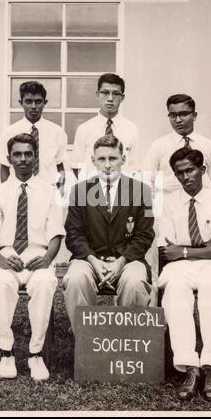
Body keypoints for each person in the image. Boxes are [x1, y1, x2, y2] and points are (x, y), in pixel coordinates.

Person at [0, 133, 64, 381]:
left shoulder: (50, 192)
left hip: (39, 255)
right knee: (0, 283)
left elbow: (56, 234)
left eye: (28, 153)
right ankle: (6, 353)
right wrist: (2, 261)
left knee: (45, 283)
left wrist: (48, 259)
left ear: (36, 157)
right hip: (8, 254)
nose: (23, 159)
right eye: (17, 154)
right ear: (9, 159)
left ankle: (35, 354)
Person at [157, 147, 211, 402]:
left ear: (202, 170)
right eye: (179, 173)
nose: (185, 177)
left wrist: (185, 251)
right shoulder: (168, 203)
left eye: (190, 170)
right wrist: (205, 246)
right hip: (180, 268)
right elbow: (167, 251)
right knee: (175, 292)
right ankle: (190, 368)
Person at [62, 135, 155, 333]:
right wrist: (94, 261)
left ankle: (129, 336)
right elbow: (73, 234)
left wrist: (121, 262)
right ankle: (85, 335)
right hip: (89, 259)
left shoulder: (142, 191)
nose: (107, 165)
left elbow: (145, 235)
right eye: (101, 159)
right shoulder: (79, 191)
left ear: (123, 159)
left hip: (128, 260)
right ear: (93, 161)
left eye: (112, 158)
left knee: (135, 281)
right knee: (75, 278)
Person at [142, 94, 211, 194]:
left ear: (194, 116)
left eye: (183, 114)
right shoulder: (158, 146)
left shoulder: (208, 146)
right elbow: (146, 180)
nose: (178, 120)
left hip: (201, 205)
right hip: (168, 205)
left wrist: (201, 201)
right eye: (173, 115)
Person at [0, 81, 68, 186]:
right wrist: (9, 194)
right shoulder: (9, 133)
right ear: (21, 103)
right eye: (29, 101)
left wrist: (59, 193)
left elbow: (60, 166)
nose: (34, 106)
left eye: (38, 101)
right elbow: (4, 167)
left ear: (45, 102)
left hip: (48, 191)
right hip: (21, 194)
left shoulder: (57, 132)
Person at [70, 73, 139, 179]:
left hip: (122, 191)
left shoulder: (131, 129)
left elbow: (135, 167)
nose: (110, 98)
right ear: (98, 94)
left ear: (122, 98)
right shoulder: (84, 129)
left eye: (115, 94)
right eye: (105, 93)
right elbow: (76, 166)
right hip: (92, 190)